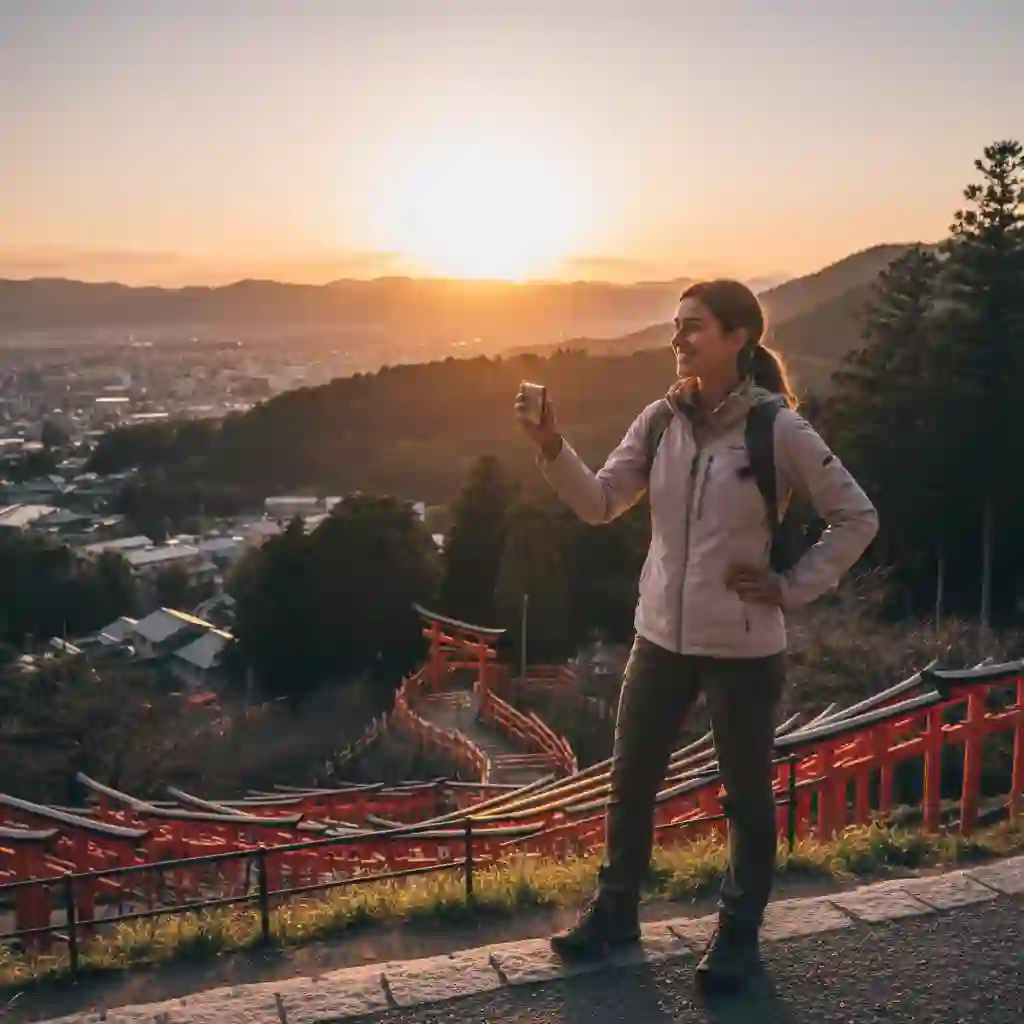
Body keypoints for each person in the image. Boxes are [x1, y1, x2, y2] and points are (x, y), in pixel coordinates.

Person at [514, 279, 878, 993]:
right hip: (660, 639)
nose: (678, 339)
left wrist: (792, 586)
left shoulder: (777, 429)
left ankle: (737, 935)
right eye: (676, 326)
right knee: (631, 784)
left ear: (740, 336)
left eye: (695, 327)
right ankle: (616, 912)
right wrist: (552, 446)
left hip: (743, 647)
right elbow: (600, 503)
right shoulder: (660, 421)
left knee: (745, 796)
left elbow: (857, 517)